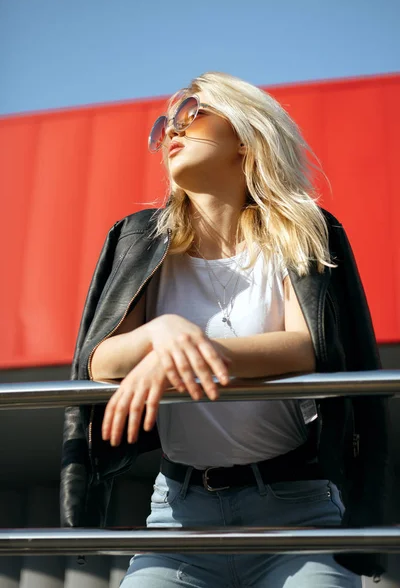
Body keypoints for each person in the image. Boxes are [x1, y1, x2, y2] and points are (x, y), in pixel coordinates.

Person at [60, 72, 389, 587]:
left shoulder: (299, 230)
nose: (173, 129)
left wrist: (186, 353)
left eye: (193, 113)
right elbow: (101, 359)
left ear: (245, 136)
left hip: (297, 511)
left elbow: (306, 347)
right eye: (164, 124)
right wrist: (162, 334)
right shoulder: (141, 240)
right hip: (178, 517)